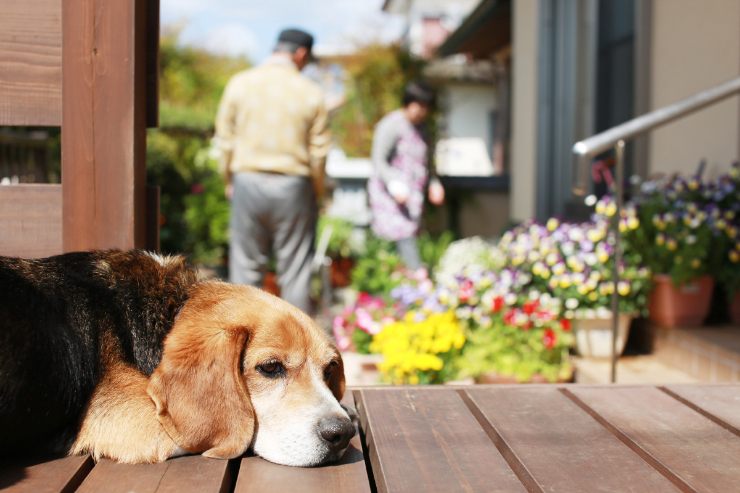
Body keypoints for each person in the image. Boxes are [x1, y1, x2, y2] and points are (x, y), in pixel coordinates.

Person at [215, 28, 330, 315]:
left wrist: (229, 180)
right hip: (294, 185)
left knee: (245, 270)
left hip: (247, 180)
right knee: (296, 271)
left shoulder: (240, 83)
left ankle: (242, 347)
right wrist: (317, 191)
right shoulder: (310, 91)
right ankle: (300, 354)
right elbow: (318, 151)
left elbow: (225, 140)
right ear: (301, 54)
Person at [367, 80, 445, 270]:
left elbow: (425, 162)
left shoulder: (423, 128)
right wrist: (394, 185)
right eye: (419, 105)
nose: (422, 111)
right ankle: (415, 276)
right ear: (408, 102)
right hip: (391, 197)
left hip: (412, 196)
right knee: (399, 239)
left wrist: (433, 183)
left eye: (426, 107)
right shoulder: (390, 125)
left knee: (408, 238)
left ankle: (407, 281)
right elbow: (378, 159)